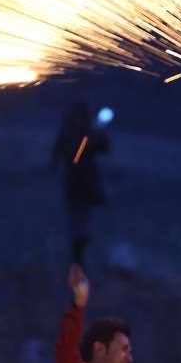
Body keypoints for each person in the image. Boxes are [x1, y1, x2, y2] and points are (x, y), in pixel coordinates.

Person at [51, 102, 110, 267]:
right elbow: (103, 147)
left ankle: (78, 253)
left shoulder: (78, 132)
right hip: (80, 180)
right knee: (80, 221)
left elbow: (103, 147)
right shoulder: (83, 133)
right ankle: (78, 253)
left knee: (79, 220)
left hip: (80, 181)